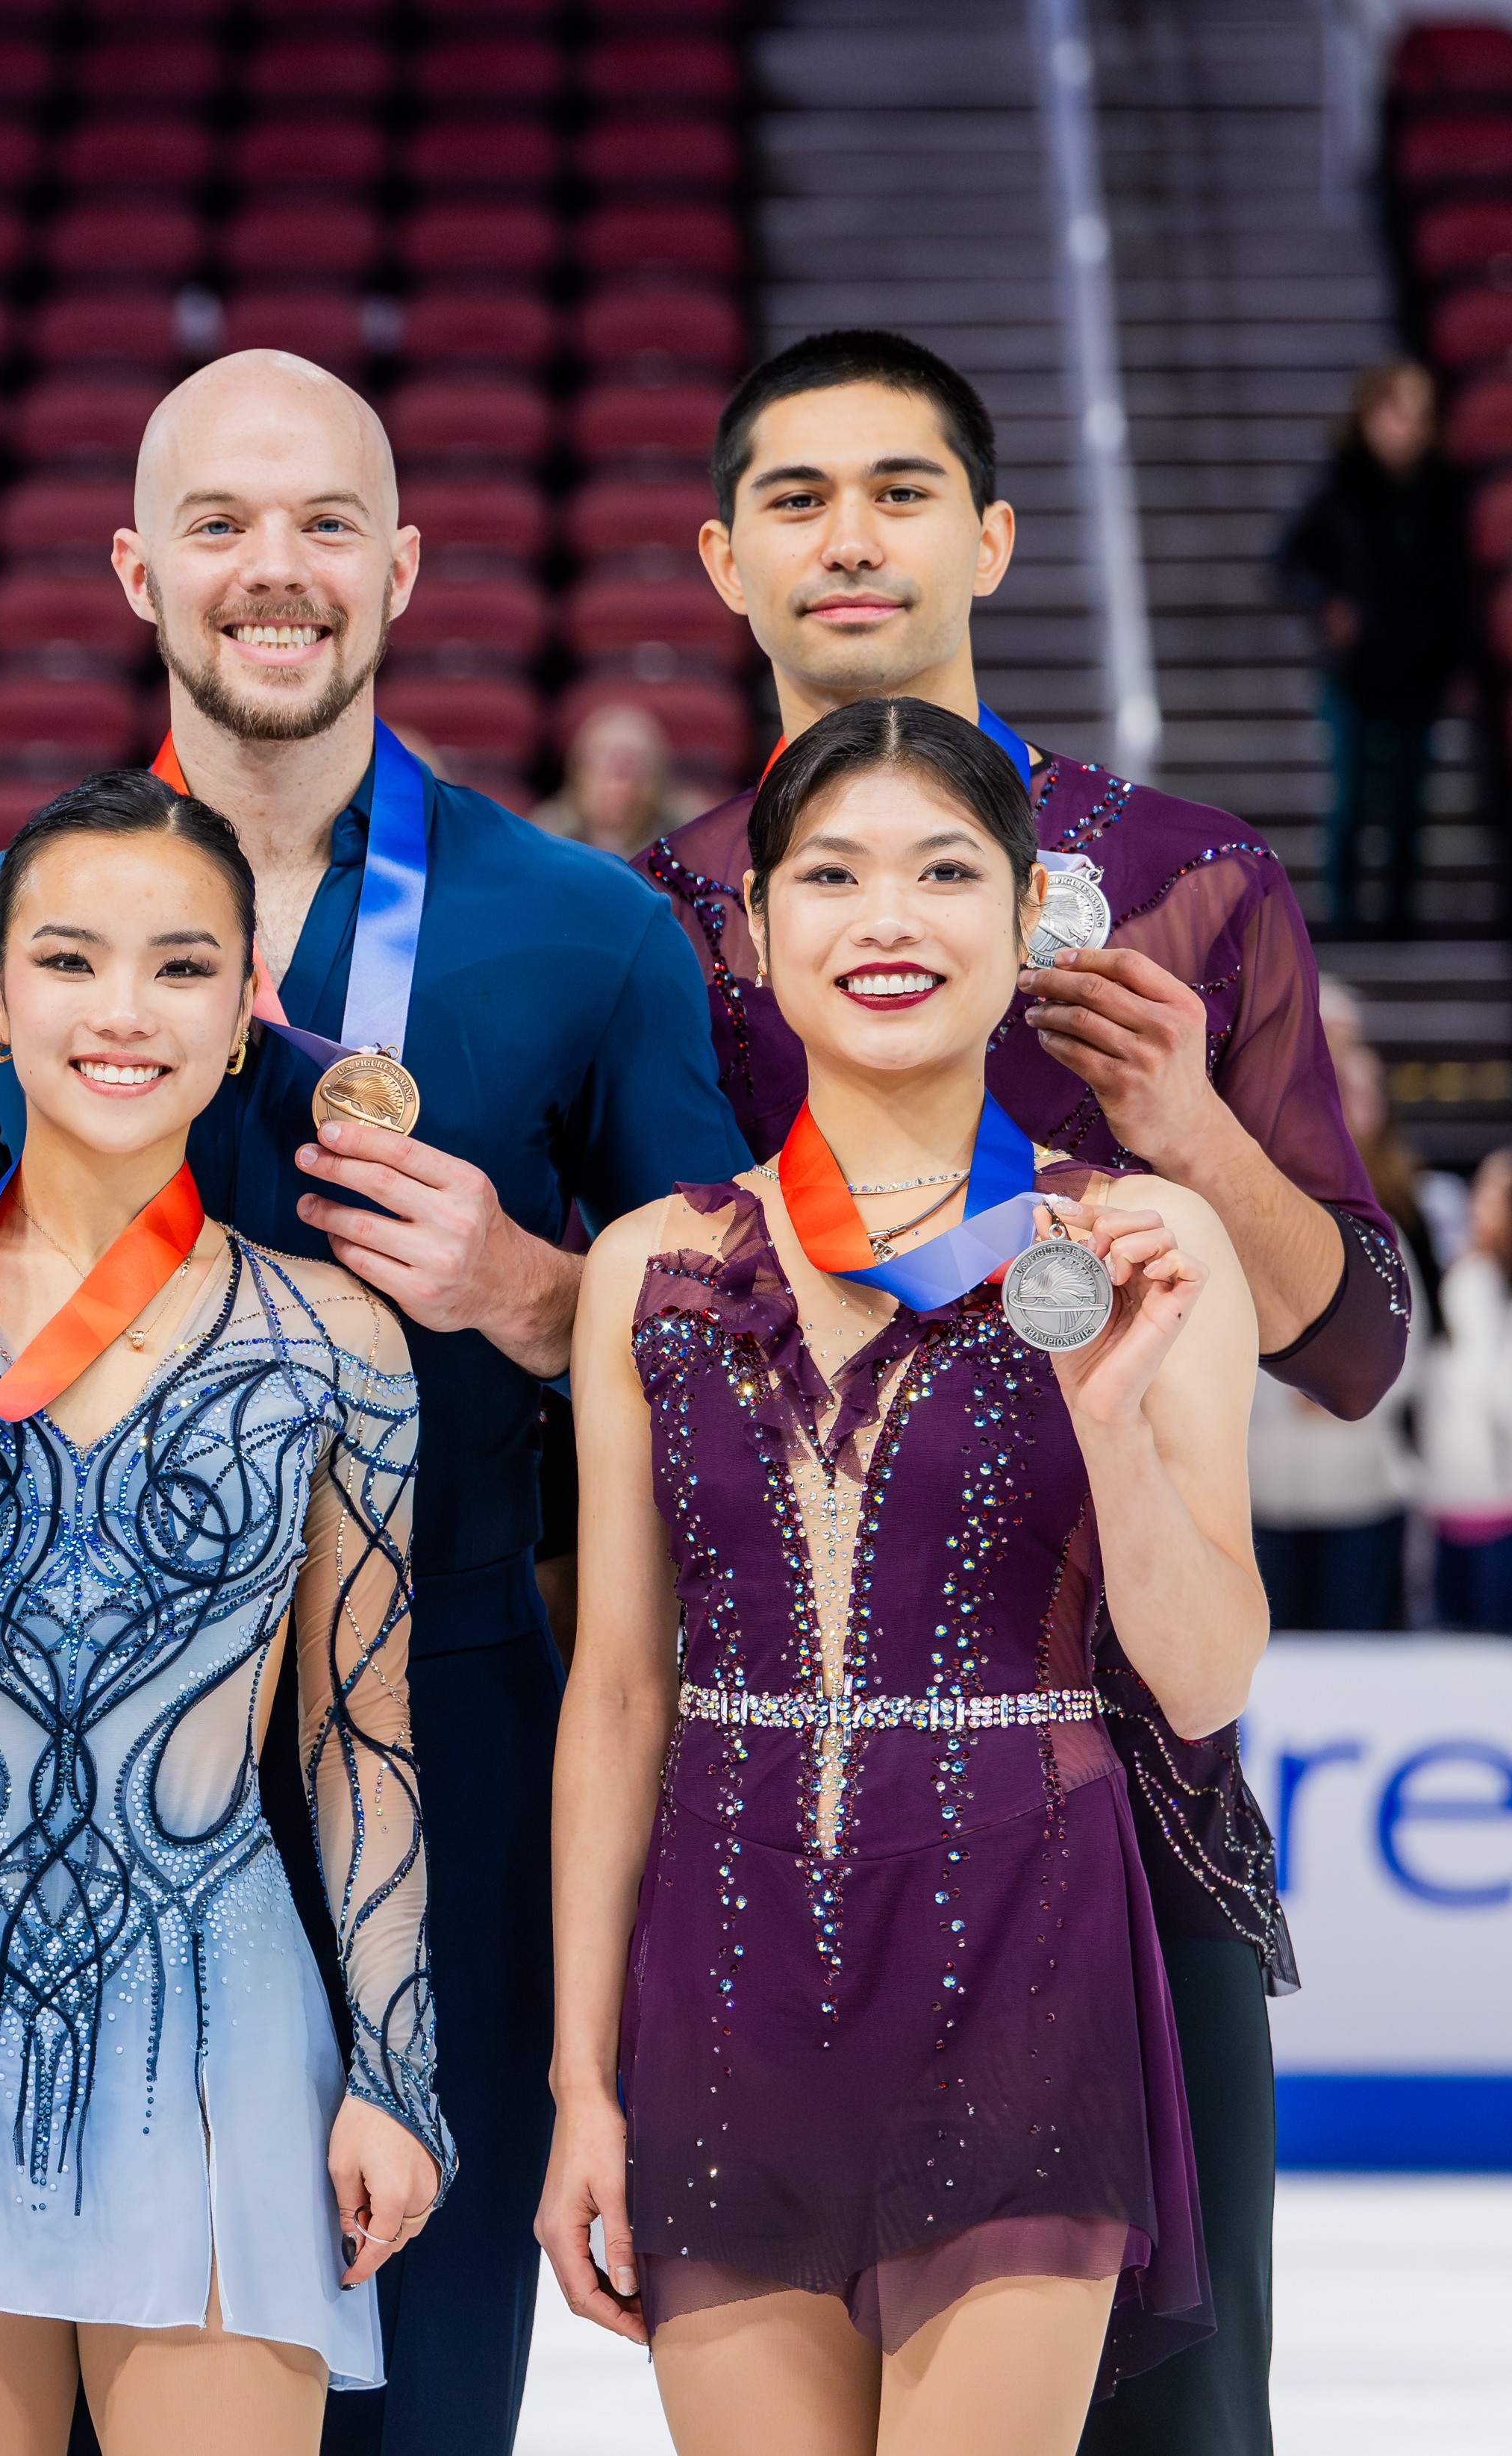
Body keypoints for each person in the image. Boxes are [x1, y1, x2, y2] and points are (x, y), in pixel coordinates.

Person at [0, 350, 752, 2456]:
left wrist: (530, 1286)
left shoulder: (587, 935)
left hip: (447, 1734)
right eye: (217, 523)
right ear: (138, 565)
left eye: (321, 525)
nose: (270, 572)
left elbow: (746, 1376)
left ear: (401, 563)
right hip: (66, 1777)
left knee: (421, 2407)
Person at [635, 326, 1409, 2455]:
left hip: (1114, 1774)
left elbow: (1353, 1347)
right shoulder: (669, 921)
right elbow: (624, 1340)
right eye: (796, 497)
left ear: (990, 530)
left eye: (901, 488)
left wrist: (1196, 1125)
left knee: (1175, 2419)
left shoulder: (1184, 877)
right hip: (777, 1795)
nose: (851, 535)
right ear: (724, 559)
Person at [0, 769, 446, 2451]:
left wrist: (393, 2073)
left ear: (244, 1011)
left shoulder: (337, 1343)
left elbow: (359, 1740)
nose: (121, 1012)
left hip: (225, 2039)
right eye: (67, 960)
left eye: (180, 966)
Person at [544, 696, 1249, 2446]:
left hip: (1028, 1953)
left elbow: (1207, 1679)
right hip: (719, 1973)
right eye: (833, 873)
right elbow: (619, 1689)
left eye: (944, 871)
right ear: (762, 927)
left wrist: (1115, 1403)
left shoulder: (1141, 1249)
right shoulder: (651, 1264)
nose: (886, 917)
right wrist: (577, 2085)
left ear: (1023, 928)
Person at [1247, 983, 1427, 1631]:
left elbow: (1413, 1344)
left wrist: (1335, 1379)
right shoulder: (1244, 1189)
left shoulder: (1390, 1220)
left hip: (1361, 1490)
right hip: (1261, 1489)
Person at [1273, 360, 1470, 940]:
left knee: (1410, 797)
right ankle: (1346, 913)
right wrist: (1329, 605)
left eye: (1419, 416)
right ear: (1369, 417)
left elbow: (1459, 585)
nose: (1406, 429)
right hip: (1355, 669)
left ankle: (1399, 915)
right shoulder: (1340, 485)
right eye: (1396, 413)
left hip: (1420, 667)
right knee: (1355, 794)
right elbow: (1289, 561)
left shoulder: (1444, 492)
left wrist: (1454, 658)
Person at [1426, 1151, 1512, 1632]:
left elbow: (1495, 1393)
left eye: (1496, 1196)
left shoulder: (1478, 1283)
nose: (1479, 1206)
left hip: (1499, 1506)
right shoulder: (1464, 1277)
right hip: (1451, 1502)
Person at [529, 699, 675, 858]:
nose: (619, 782)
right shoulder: (546, 835)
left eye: (633, 764)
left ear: (657, 780)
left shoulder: (684, 836)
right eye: (606, 760)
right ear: (579, 774)